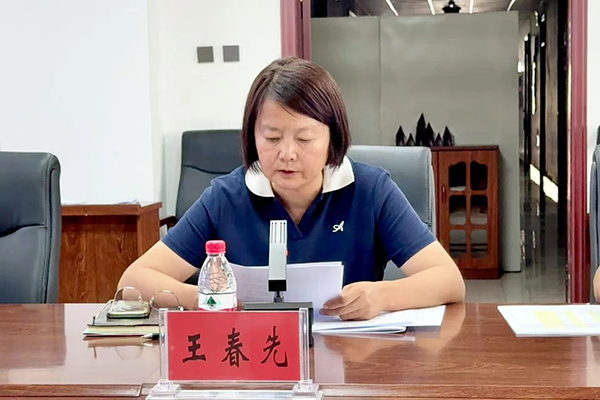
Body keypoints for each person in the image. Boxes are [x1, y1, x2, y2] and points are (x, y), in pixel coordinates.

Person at [118, 57, 465, 320]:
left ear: (332, 138)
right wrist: (206, 300)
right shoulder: (226, 197)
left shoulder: (371, 190)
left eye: (304, 138)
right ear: (252, 137)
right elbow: (134, 281)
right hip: (254, 365)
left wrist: (382, 297)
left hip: (351, 361)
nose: (287, 154)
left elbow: (449, 280)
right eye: (271, 138)